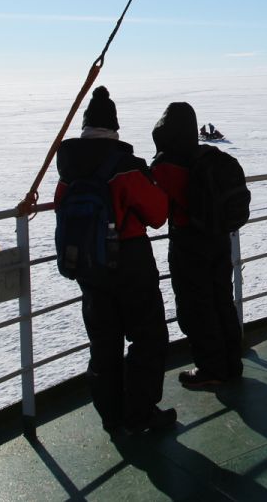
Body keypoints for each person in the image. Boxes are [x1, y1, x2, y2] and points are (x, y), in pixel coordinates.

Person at [55, 86, 174, 436]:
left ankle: (111, 415)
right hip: (130, 261)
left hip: (88, 266)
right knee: (147, 337)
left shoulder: (69, 169)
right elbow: (157, 213)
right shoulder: (123, 167)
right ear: (114, 127)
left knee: (104, 343)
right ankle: (140, 415)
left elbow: (64, 210)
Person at [151, 102, 244, 389]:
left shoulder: (166, 166)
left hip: (189, 242)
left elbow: (156, 212)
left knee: (196, 306)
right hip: (218, 240)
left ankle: (211, 368)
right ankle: (231, 363)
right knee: (222, 300)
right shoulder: (209, 157)